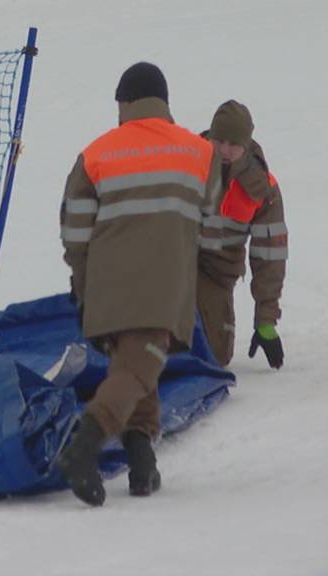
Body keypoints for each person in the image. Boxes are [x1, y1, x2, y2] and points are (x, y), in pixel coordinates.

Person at [56, 62, 222, 506]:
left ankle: (141, 457)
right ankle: (81, 447)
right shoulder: (199, 152)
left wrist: (83, 283)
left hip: (107, 287)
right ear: (163, 102)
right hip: (164, 284)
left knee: (135, 367)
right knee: (137, 369)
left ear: (125, 104)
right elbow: (209, 214)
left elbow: (74, 229)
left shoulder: (95, 154)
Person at [197, 100, 288, 369]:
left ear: (246, 145)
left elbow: (269, 257)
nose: (224, 150)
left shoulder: (263, 189)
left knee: (216, 357)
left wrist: (266, 321)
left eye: (233, 144)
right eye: (219, 141)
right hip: (173, 266)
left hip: (217, 274)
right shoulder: (186, 162)